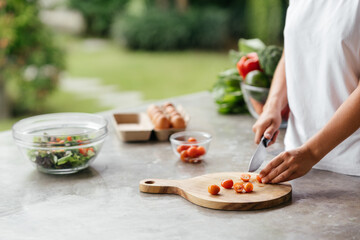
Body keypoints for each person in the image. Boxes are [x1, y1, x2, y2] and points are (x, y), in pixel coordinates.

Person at [253, 0, 360, 183]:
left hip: (352, 165)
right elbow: (292, 53)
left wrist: (311, 151)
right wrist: (273, 105)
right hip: (295, 161)